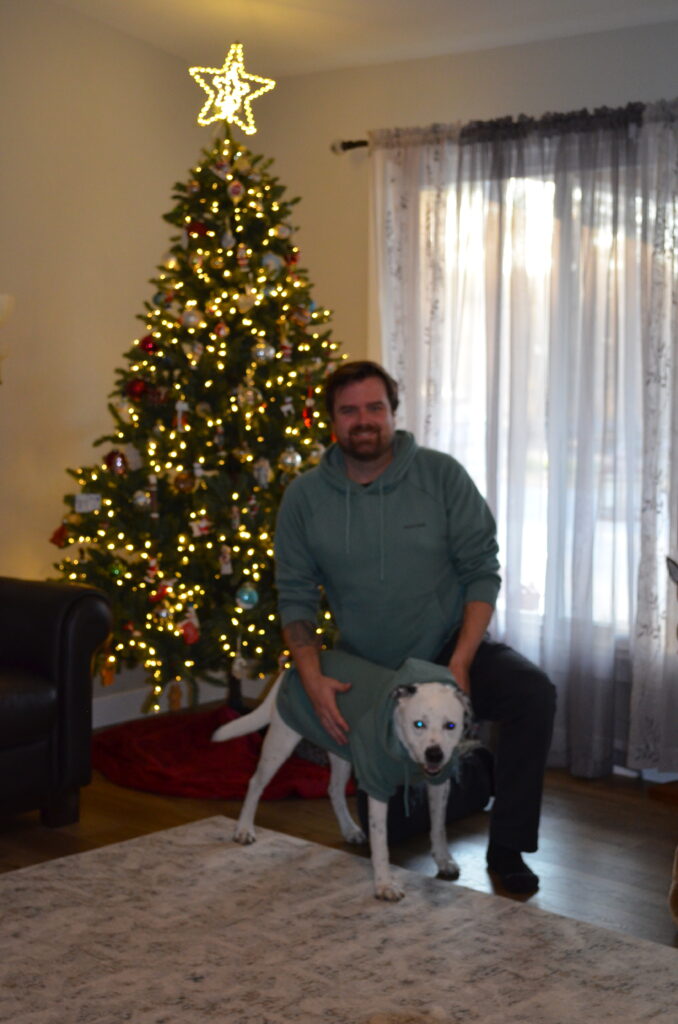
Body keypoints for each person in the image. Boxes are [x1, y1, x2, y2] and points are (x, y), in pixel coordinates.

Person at [274, 360, 556, 894]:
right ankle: (470, 770)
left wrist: (462, 661)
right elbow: (294, 594)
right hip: (371, 666)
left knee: (532, 693)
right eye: (349, 410)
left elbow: (481, 568)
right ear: (331, 421)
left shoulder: (440, 475)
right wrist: (310, 673)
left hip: (447, 645)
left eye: (375, 407)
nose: (364, 420)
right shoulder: (304, 498)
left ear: (393, 413)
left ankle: (509, 845)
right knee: (397, 824)